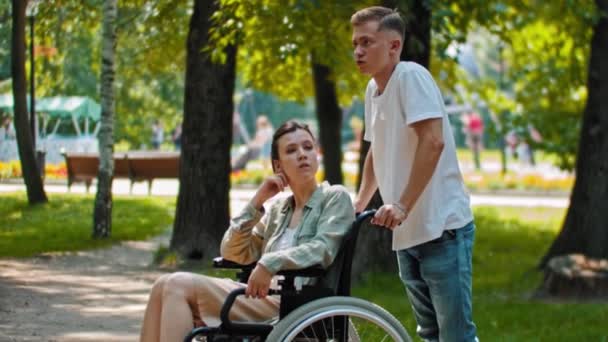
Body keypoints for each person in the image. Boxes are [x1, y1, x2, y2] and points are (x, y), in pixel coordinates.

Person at [139, 120, 355, 342]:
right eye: (291, 150)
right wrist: (257, 201)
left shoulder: (335, 197)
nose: (302, 154)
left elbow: (323, 249)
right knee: (161, 286)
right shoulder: (279, 211)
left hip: (294, 303)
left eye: (308, 147)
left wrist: (270, 262)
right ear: (278, 166)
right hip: (262, 297)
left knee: (176, 285)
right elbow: (232, 251)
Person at [351, 7, 477, 342]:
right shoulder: (372, 91)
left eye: (367, 42)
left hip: (442, 228)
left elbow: (432, 142)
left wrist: (403, 205)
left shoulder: (410, 77)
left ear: (394, 46)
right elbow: (375, 151)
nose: (358, 51)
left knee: (455, 336)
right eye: (355, 44)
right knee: (430, 333)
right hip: (408, 235)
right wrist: (360, 202)